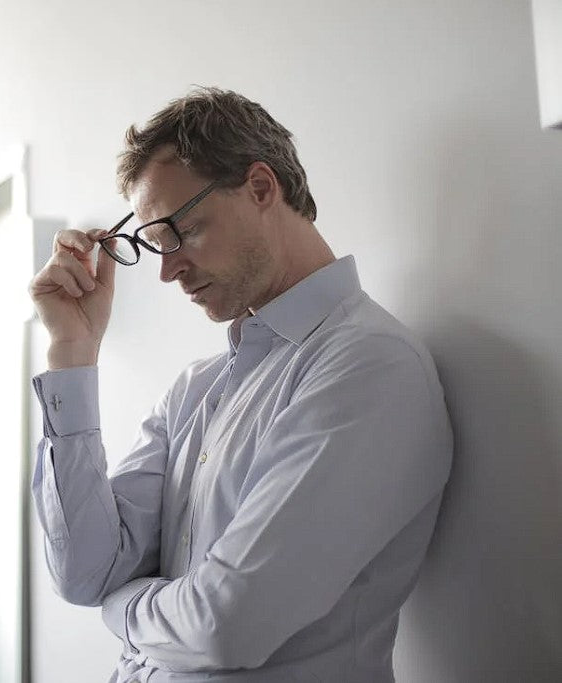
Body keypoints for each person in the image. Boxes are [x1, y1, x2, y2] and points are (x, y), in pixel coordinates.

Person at [27, 87, 453, 683]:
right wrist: (73, 352)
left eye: (180, 231)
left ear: (260, 187)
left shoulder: (369, 365)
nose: (167, 269)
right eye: (152, 243)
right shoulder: (194, 391)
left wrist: (122, 605)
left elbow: (225, 624)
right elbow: (83, 572)